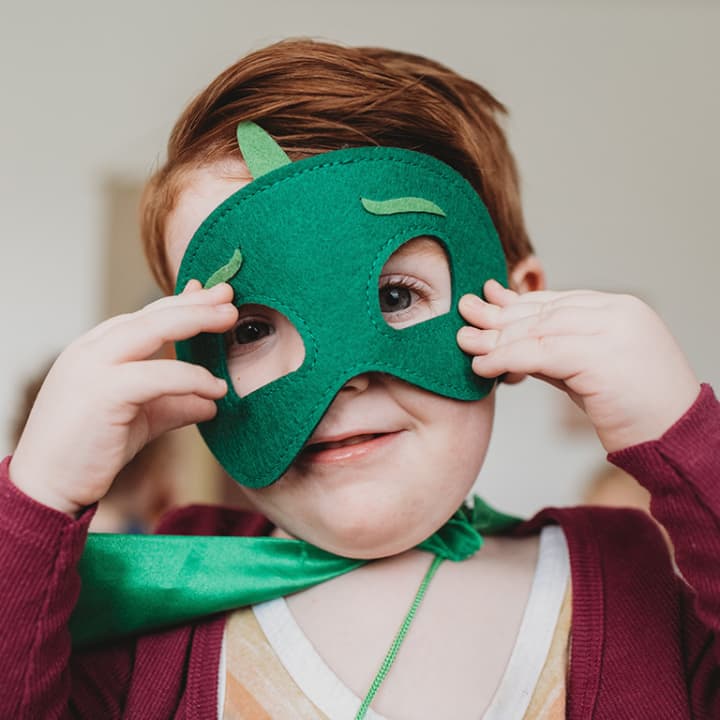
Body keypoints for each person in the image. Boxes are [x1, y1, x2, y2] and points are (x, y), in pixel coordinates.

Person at [2, 38, 718, 720]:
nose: (339, 381)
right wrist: (37, 497)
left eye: (396, 296)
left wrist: (681, 434)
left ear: (522, 308)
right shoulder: (155, 608)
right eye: (249, 330)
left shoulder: (638, 582)